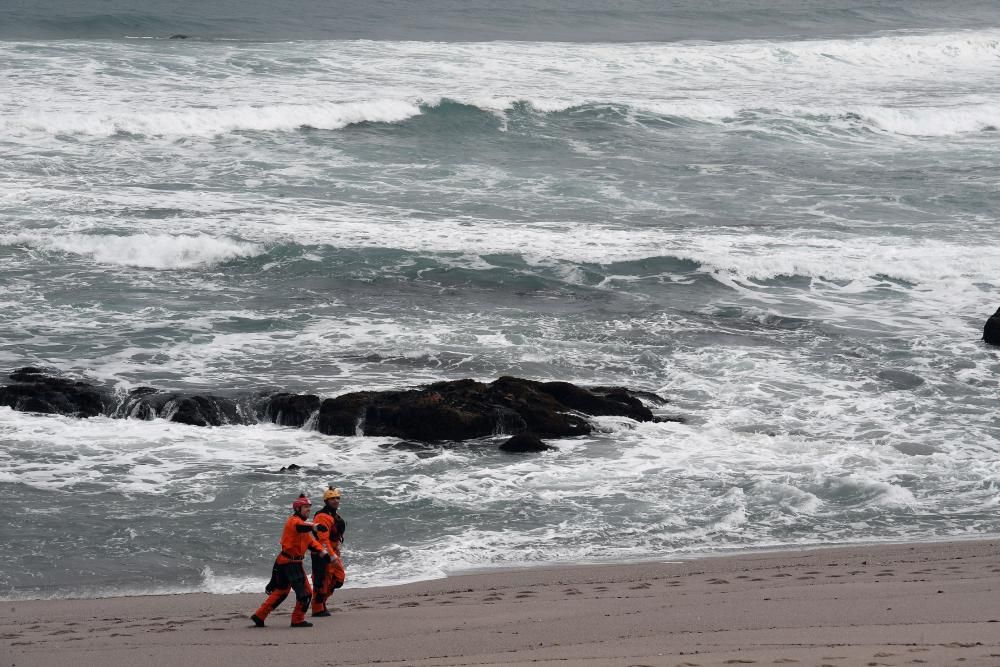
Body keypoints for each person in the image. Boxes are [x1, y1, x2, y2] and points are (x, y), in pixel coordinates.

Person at [250, 493, 328, 628]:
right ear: (298, 509)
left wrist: (324, 553)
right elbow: (301, 527)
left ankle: (259, 615)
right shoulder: (294, 522)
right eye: (305, 507)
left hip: (285, 562)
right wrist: (315, 526)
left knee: (281, 591)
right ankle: (297, 620)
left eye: (309, 507)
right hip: (291, 564)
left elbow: (312, 543)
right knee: (306, 594)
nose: (308, 510)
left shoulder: (303, 527)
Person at [311, 485, 347, 617]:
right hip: (323, 553)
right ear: (326, 501)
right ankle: (317, 608)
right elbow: (323, 540)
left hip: (332, 551)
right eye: (332, 498)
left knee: (338, 578)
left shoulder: (334, 515)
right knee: (321, 580)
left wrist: (336, 551)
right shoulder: (322, 516)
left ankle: (322, 602)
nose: (336, 501)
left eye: (337, 498)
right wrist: (331, 556)